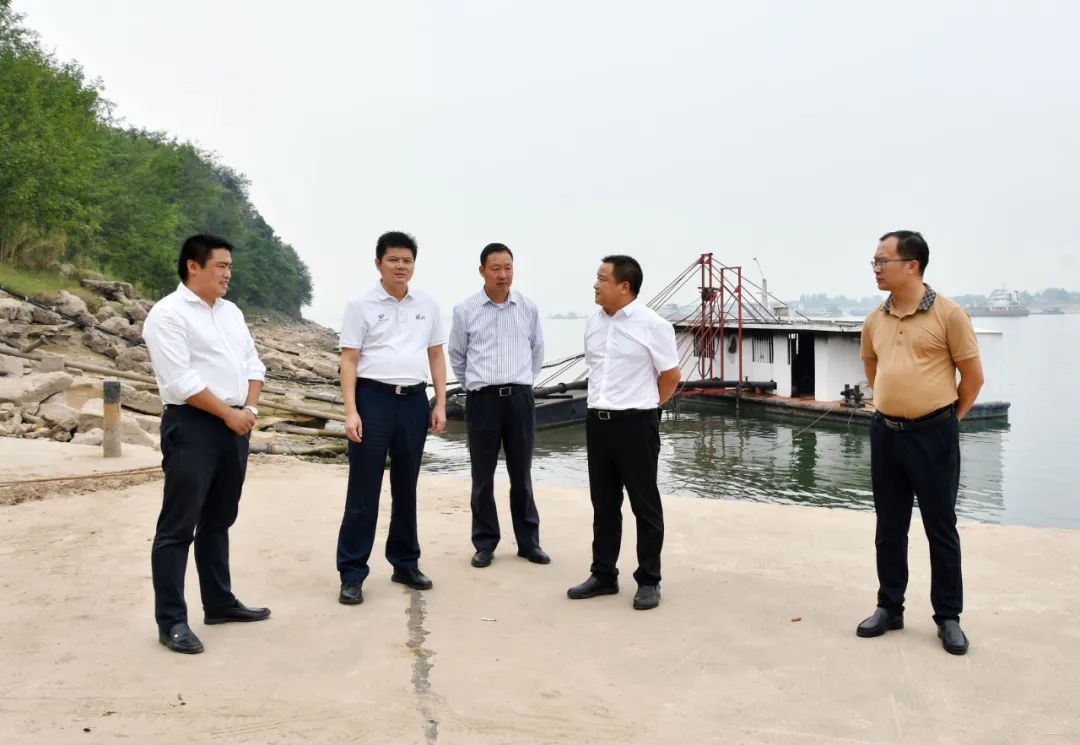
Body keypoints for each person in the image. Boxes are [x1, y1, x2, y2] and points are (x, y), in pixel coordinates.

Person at [857, 230, 984, 655]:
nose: (876, 269)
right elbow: (873, 368)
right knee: (889, 526)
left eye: (883, 261)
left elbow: (973, 379)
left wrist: (946, 421)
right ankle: (889, 607)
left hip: (934, 435)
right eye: (874, 262)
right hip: (886, 434)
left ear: (912, 266)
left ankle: (948, 616)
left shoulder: (950, 315)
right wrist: (893, 404)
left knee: (940, 527)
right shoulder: (875, 319)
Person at [143, 234, 270, 655]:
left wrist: (248, 408)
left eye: (230, 266)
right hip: (192, 425)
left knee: (219, 519)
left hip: (236, 424)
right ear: (193, 266)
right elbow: (181, 380)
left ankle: (219, 602)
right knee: (178, 526)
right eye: (221, 266)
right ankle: (172, 621)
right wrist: (228, 414)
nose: (228, 273)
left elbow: (253, 364)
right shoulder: (168, 314)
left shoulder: (231, 312)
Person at [336, 231, 447, 605]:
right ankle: (352, 573)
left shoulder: (427, 305)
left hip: (414, 401)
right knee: (363, 489)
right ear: (378, 263)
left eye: (407, 260)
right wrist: (351, 411)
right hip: (373, 400)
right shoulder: (361, 305)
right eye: (393, 260)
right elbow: (349, 360)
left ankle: (405, 562)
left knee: (406, 486)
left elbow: (435, 355)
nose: (401, 266)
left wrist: (440, 403)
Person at [567, 255, 681, 611]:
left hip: (636, 423)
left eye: (602, 278)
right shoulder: (593, 323)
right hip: (597, 423)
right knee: (604, 504)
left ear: (624, 286)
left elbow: (671, 376)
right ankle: (604, 574)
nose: (595, 284)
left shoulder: (653, 325)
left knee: (644, 505)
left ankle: (649, 580)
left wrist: (648, 405)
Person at [448, 243, 548, 569]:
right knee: (482, 476)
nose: (503, 275)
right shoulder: (465, 310)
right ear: (482, 271)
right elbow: (457, 356)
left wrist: (522, 382)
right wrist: (475, 386)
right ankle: (485, 543)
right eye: (496, 268)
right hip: (483, 400)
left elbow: (537, 351)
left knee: (522, 473)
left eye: (508, 267)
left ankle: (529, 542)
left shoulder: (528, 308)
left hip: (520, 399)